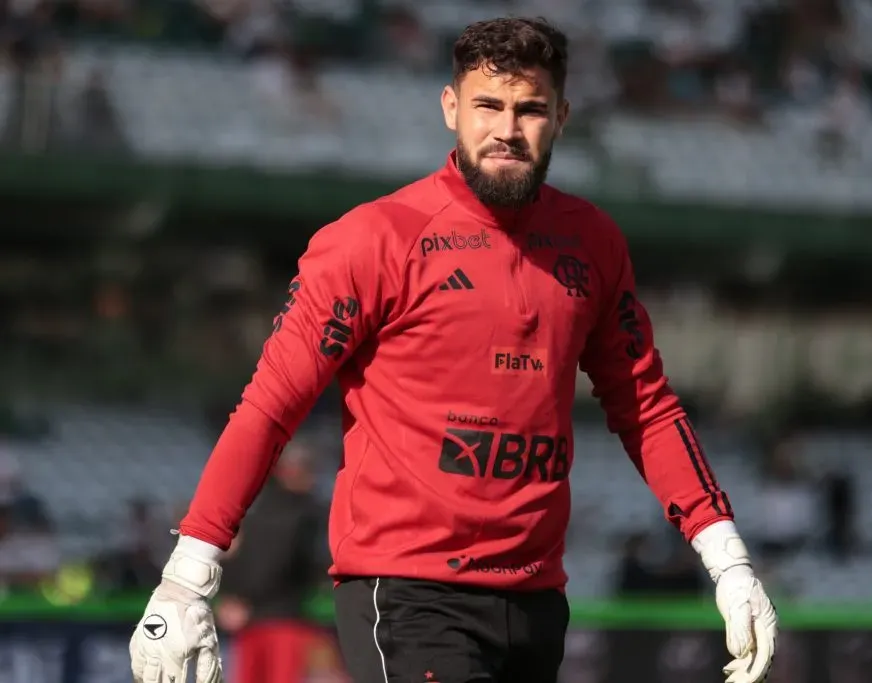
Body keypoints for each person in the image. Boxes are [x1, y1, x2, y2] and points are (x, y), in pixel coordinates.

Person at [128, 16, 777, 683]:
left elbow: (646, 405)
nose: (506, 129)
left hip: (536, 602)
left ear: (562, 116)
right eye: (487, 106)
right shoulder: (373, 241)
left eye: (529, 109)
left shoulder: (594, 243)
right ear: (450, 109)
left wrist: (727, 559)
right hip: (409, 595)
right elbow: (270, 405)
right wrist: (187, 576)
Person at [215, 441, 326, 683]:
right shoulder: (303, 515)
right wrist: (232, 596)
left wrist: (234, 597)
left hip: (272, 617)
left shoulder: (259, 511)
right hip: (273, 620)